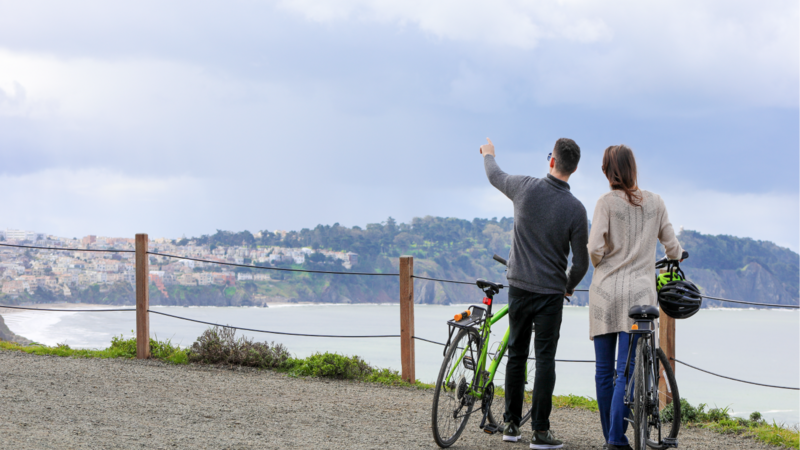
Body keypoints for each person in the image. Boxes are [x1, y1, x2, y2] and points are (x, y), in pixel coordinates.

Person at [480, 137, 589, 449]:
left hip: (519, 287)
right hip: (551, 294)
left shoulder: (524, 188)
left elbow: (494, 175)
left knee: (516, 353)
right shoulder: (576, 210)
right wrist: (568, 286)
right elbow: (581, 264)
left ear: (551, 160)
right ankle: (540, 432)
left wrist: (489, 154)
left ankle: (511, 425)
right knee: (544, 361)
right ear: (575, 168)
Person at [587, 145, 684, 450]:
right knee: (624, 372)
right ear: (633, 169)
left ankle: (612, 437)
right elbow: (672, 246)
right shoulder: (655, 202)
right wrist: (677, 256)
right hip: (639, 298)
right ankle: (616, 438)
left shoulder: (605, 203)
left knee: (604, 372)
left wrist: (603, 263)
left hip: (605, 293)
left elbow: (593, 248)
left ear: (607, 171)